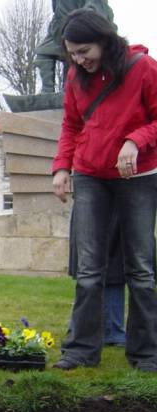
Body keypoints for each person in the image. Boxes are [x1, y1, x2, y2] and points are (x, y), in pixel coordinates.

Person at [51, 9, 157, 371]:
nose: (80, 60)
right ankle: (81, 350)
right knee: (89, 270)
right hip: (91, 176)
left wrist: (136, 140)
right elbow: (71, 124)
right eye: (73, 53)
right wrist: (62, 167)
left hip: (138, 177)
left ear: (105, 40)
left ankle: (146, 353)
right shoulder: (75, 76)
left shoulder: (143, 68)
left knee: (140, 269)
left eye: (85, 51)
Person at [68, 209, 126, 346]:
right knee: (89, 268)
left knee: (114, 264)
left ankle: (109, 329)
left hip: (120, 198)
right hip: (92, 199)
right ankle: (87, 329)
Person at [34, 0, 114, 93]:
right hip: (60, 28)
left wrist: (84, 21)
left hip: (83, 27)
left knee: (73, 56)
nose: (79, 60)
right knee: (43, 52)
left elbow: (96, 6)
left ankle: (70, 88)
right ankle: (47, 91)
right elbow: (57, 11)